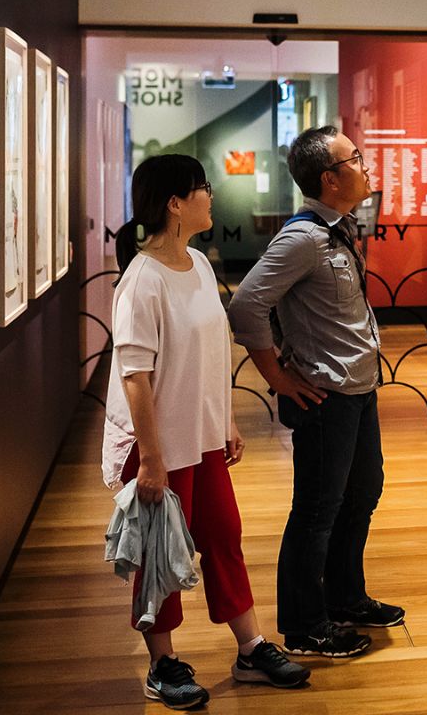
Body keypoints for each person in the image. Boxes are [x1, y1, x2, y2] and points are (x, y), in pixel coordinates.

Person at [103, 154, 309, 710]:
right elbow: (135, 378)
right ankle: (161, 664)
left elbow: (211, 355)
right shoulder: (141, 281)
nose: (212, 197)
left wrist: (225, 424)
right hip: (157, 449)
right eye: (204, 188)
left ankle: (251, 649)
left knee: (223, 537)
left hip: (201, 440)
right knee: (160, 554)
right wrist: (150, 459)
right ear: (175, 203)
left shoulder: (195, 263)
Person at [227, 126, 405, 658]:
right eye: (356, 158)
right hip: (325, 398)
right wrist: (278, 376)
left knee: (362, 493)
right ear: (330, 179)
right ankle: (305, 625)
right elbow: (246, 307)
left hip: (359, 388)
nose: (366, 165)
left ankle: (346, 598)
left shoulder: (342, 229)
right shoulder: (303, 239)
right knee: (317, 508)